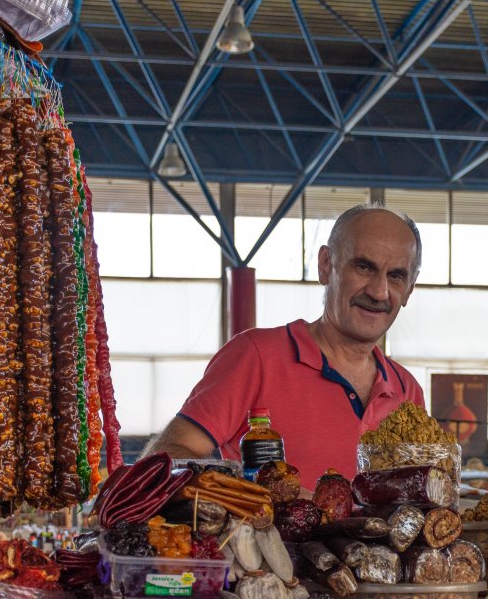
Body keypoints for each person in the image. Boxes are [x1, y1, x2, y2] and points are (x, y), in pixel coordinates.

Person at [145, 204, 426, 488]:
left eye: (396, 276)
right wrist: (269, 498)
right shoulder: (256, 356)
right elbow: (164, 459)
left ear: (410, 288)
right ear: (326, 265)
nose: (379, 291)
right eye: (364, 267)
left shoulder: (407, 390)